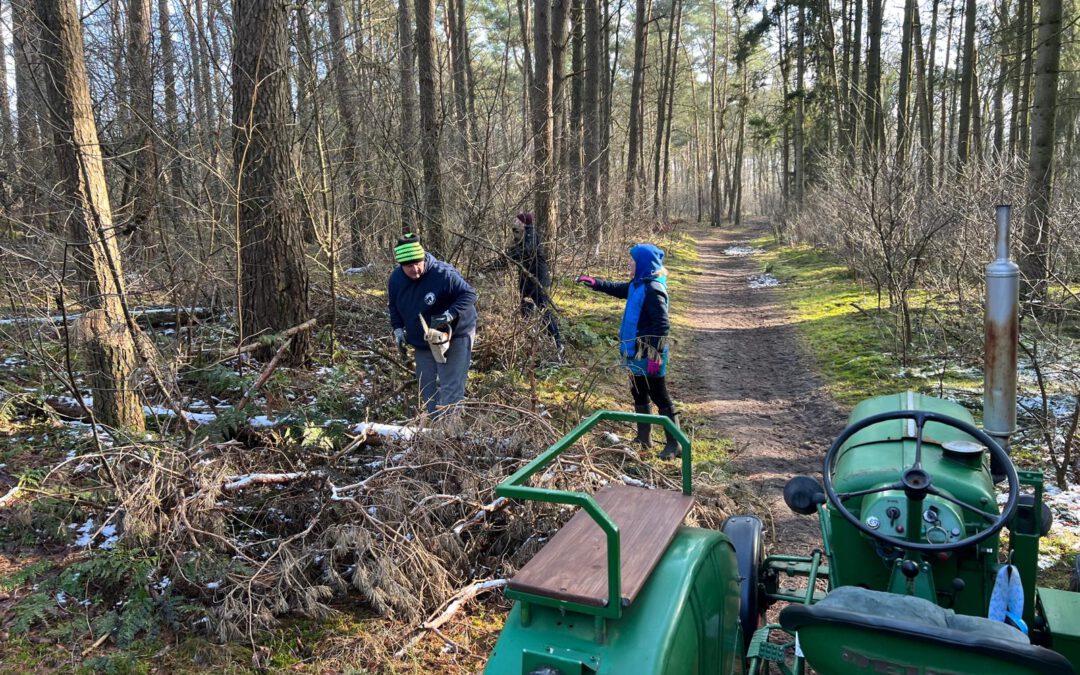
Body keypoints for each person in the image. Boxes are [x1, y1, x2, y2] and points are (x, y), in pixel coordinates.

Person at [576, 244, 680, 459]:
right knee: (638, 392)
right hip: (634, 352)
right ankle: (644, 438)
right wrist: (596, 283)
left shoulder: (653, 289)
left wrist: (656, 356)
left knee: (659, 395)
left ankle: (675, 444)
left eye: (633, 261)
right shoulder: (637, 284)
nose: (629, 263)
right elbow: (618, 289)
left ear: (643, 264)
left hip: (649, 354)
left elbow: (662, 325)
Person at [388, 233, 478, 416]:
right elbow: (394, 306)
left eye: (418, 263)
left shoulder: (443, 274)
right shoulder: (396, 280)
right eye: (409, 266)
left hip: (455, 334)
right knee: (427, 388)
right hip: (422, 338)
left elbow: (469, 294)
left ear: (423, 259)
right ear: (400, 266)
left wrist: (450, 314)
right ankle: (434, 431)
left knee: (450, 385)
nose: (415, 269)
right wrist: (398, 329)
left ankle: (451, 433)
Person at [485, 212, 563, 354]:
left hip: (538, 280)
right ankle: (530, 345)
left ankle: (558, 343)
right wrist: (490, 268)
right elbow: (510, 259)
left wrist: (508, 256)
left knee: (544, 311)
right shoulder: (519, 237)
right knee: (525, 313)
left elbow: (524, 251)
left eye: (517, 220)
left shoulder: (531, 235)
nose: (514, 223)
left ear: (523, 223)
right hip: (526, 281)